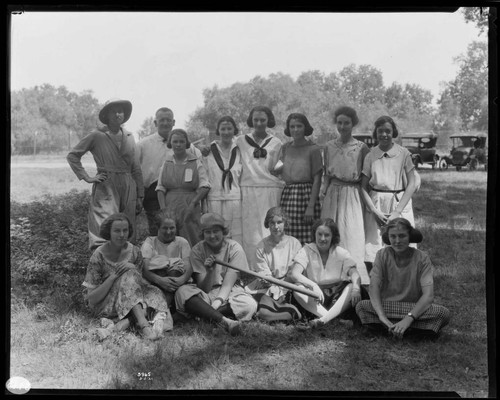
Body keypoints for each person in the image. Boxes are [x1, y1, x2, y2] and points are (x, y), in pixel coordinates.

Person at [67, 99, 144, 249]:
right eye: (113, 111)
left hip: (128, 185)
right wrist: (87, 177)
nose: (117, 114)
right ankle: (102, 264)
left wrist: (140, 195)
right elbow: (73, 156)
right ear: (107, 115)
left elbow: (136, 168)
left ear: (125, 115)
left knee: (127, 228)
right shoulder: (97, 135)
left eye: (120, 111)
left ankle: (125, 266)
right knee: (104, 225)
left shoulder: (129, 136)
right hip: (106, 184)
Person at [355, 218, 451, 339]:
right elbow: (374, 286)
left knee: (442, 313)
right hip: (387, 307)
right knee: (362, 306)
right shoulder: (382, 255)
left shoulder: (422, 258)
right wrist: (382, 316)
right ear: (388, 238)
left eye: (402, 236)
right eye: (393, 236)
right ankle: (408, 330)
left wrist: (408, 318)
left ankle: (393, 328)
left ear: (409, 236)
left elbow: (428, 296)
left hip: (412, 309)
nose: (397, 241)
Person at [82, 213, 171, 341]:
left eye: (125, 230)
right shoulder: (99, 255)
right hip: (106, 303)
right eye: (117, 231)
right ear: (109, 232)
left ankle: (119, 326)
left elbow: (137, 288)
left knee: (154, 293)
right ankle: (144, 325)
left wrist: (132, 269)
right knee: (128, 276)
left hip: (130, 301)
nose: (122, 235)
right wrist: (115, 276)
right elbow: (92, 299)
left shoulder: (135, 251)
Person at [174, 213, 258, 335]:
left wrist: (213, 307)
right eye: (208, 232)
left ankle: (204, 316)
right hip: (207, 295)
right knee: (182, 292)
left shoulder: (234, 248)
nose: (212, 236)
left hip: (230, 293)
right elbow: (204, 288)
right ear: (202, 233)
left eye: (216, 231)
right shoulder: (197, 250)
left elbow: (227, 285)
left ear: (223, 232)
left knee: (249, 304)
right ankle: (226, 322)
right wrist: (210, 272)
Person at [320, 106, 371, 285]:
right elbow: (327, 174)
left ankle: (354, 280)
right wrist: (323, 193)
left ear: (353, 124)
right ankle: (330, 278)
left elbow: (366, 177)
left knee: (351, 234)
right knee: (330, 234)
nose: (342, 126)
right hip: (332, 194)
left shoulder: (361, 148)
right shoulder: (329, 146)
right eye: (339, 123)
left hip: (352, 195)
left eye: (346, 123)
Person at [360, 116, 418, 267]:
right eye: (380, 131)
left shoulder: (404, 154)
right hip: (377, 204)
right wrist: (374, 211)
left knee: (401, 243)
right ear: (375, 133)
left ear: (394, 132)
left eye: (388, 131)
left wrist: (397, 212)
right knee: (375, 246)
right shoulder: (370, 155)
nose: (384, 134)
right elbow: (363, 186)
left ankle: (403, 283)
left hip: (399, 202)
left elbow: (411, 184)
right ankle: (378, 282)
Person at [137, 107, 202, 236]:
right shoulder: (143, 145)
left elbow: (200, 161)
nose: (165, 123)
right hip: (154, 195)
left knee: (183, 231)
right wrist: (138, 195)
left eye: (168, 120)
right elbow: (134, 170)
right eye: (162, 120)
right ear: (155, 123)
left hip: (181, 194)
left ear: (173, 122)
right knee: (160, 233)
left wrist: (206, 151)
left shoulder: (186, 144)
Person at [288, 218, 362, 328]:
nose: (322, 239)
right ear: (314, 234)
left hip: (337, 298)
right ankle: (334, 320)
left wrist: (356, 288)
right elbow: (295, 274)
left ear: (333, 236)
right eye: (319, 234)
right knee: (297, 290)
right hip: (315, 298)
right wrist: (313, 285)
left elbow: (354, 273)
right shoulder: (306, 250)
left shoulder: (341, 252)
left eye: (327, 235)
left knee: (351, 286)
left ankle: (323, 320)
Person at [236, 106, 284, 267]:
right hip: (248, 189)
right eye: (255, 119)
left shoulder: (276, 143)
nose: (259, 123)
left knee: (269, 229)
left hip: (269, 190)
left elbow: (282, 165)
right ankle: (252, 271)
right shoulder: (241, 141)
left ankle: (272, 269)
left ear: (268, 120)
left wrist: (276, 171)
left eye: (262, 120)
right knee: (250, 234)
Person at [245, 207, 303, 322]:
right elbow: (264, 273)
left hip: (289, 283)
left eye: (279, 222)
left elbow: (294, 271)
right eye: (272, 223)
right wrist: (273, 286)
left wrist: (283, 287)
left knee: (299, 294)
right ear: (268, 224)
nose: (276, 227)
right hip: (268, 284)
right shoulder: (261, 246)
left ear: (285, 223)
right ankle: (279, 312)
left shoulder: (294, 243)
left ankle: (276, 311)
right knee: (253, 297)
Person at [156, 129, 210, 247]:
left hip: (189, 205)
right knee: (170, 236)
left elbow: (205, 186)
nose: (178, 144)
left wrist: (193, 203)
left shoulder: (195, 161)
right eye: (175, 141)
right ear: (171, 143)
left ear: (187, 143)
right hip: (170, 205)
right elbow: (160, 188)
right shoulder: (167, 163)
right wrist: (164, 210)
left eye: (181, 141)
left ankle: (193, 263)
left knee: (192, 236)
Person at [274, 113, 322, 245]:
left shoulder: (313, 149)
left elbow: (317, 179)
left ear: (305, 127)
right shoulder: (285, 148)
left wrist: (310, 206)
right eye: (292, 126)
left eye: (299, 126)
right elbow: (278, 168)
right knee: (288, 237)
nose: (295, 130)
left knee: (307, 239)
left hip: (306, 196)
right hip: (288, 196)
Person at [202, 116, 243, 245]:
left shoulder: (240, 150)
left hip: (235, 200)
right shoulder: (208, 151)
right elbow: (204, 178)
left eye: (229, 128)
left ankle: (235, 263)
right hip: (214, 199)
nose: (226, 132)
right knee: (215, 236)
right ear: (218, 131)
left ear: (234, 130)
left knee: (236, 237)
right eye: (223, 129)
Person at [140, 211, 192, 311]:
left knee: (176, 267)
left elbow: (188, 266)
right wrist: (160, 280)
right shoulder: (150, 242)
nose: (168, 232)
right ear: (158, 227)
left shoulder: (182, 242)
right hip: (156, 282)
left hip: (177, 283)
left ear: (176, 228)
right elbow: (145, 269)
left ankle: (159, 310)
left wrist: (182, 279)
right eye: (165, 228)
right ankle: (163, 309)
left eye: (172, 228)